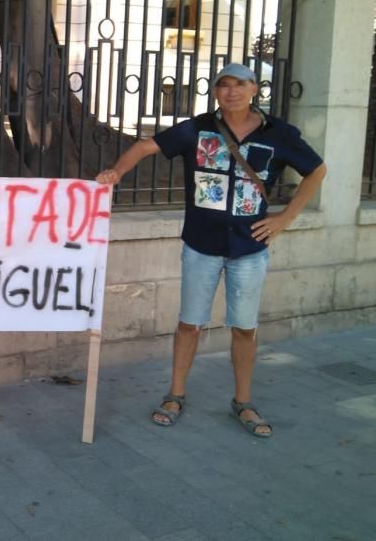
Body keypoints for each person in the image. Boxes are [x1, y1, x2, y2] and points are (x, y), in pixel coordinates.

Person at [96, 63, 326, 438]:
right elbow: (144, 146)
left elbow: (317, 170)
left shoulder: (280, 133)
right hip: (201, 244)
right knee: (189, 324)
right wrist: (116, 172)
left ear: (255, 89)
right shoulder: (198, 128)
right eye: (224, 85)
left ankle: (243, 401)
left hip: (250, 247)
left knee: (245, 329)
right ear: (216, 91)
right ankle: (175, 395)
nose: (232, 91)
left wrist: (285, 219)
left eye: (240, 84)